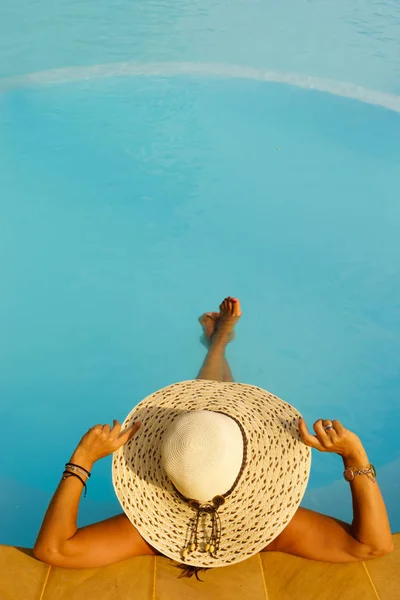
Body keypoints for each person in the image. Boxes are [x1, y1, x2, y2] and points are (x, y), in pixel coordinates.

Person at [33, 297, 393, 576]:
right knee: (214, 423)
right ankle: (218, 343)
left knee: (205, 424)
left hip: (177, 503)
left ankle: (218, 343)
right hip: (248, 509)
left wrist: (81, 460)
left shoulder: (144, 533)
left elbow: (53, 550)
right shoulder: (276, 527)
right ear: (255, 468)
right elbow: (373, 547)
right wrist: (355, 458)